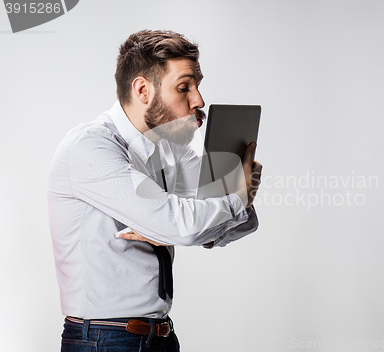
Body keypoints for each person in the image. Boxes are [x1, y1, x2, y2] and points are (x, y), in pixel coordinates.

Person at [48, 29, 262, 352]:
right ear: (143, 90)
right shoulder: (91, 148)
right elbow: (184, 224)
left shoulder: (167, 149)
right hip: (104, 340)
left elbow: (241, 223)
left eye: (198, 86)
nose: (199, 100)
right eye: (184, 87)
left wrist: (228, 204)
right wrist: (232, 200)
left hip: (160, 336)